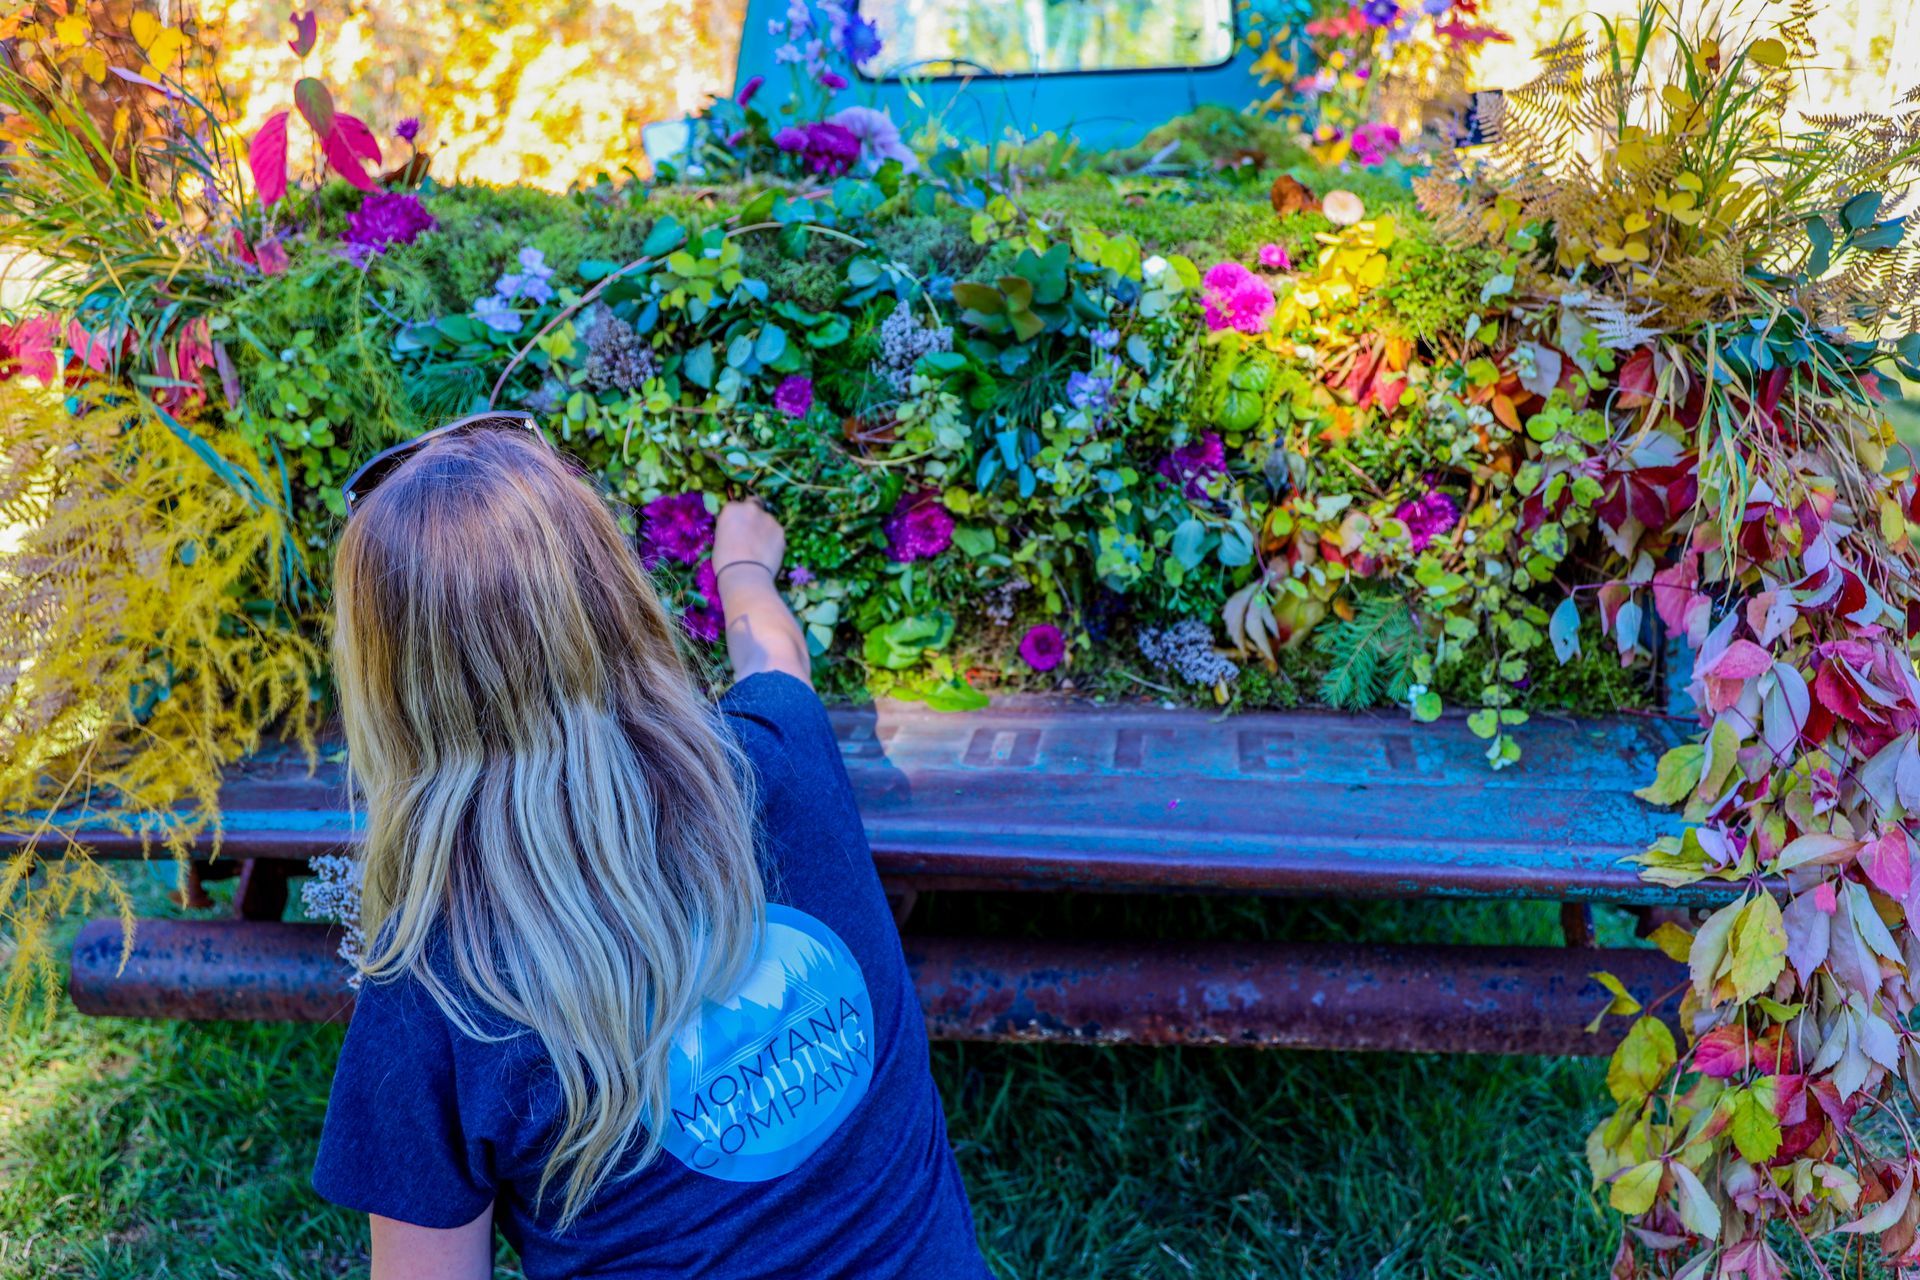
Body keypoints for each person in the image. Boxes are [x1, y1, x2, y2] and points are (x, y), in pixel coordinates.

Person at [312, 415, 992, 1280]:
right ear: (611, 592)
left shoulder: (437, 987)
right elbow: (774, 655)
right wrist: (743, 565)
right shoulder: (782, 757)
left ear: (387, 685)